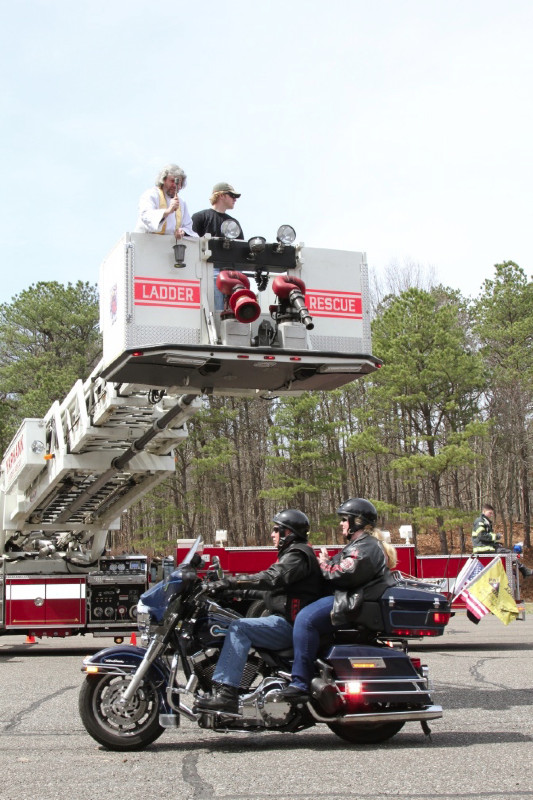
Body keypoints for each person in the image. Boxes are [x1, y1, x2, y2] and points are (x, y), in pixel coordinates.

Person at [194, 509, 324, 716]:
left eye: (276, 530)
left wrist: (230, 581)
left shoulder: (298, 555)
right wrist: (228, 591)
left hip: (290, 625)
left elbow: (270, 578)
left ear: (287, 533)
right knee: (235, 621)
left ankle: (227, 694)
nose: (272, 534)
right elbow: (266, 590)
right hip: (285, 620)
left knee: (239, 628)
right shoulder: (293, 554)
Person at [276, 498, 397, 702]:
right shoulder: (361, 545)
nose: (341, 524)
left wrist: (323, 563)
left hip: (351, 602)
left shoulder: (367, 546)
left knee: (306, 619)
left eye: (344, 519)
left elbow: (343, 574)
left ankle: (300, 682)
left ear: (356, 521)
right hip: (349, 597)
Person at [135, 164, 197, 240]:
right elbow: (146, 216)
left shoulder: (181, 203)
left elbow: (188, 225)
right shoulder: (151, 194)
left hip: (170, 246)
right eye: (172, 181)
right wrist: (168, 211)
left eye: (178, 182)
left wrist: (182, 231)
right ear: (163, 180)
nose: (175, 185)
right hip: (147, 244)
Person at [472, 503, 532, 578]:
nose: (491, 515)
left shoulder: (485, 521)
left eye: (492, 513)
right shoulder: (480, 521)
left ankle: (522, 570)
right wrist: (496, 536)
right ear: (484, 511)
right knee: (509, 553)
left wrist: (496, 542)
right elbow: (481, 536)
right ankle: (524, 570)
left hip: (486, 547)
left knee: (507, 552)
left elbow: (485, 537)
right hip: (482, 548)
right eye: (490, 513)